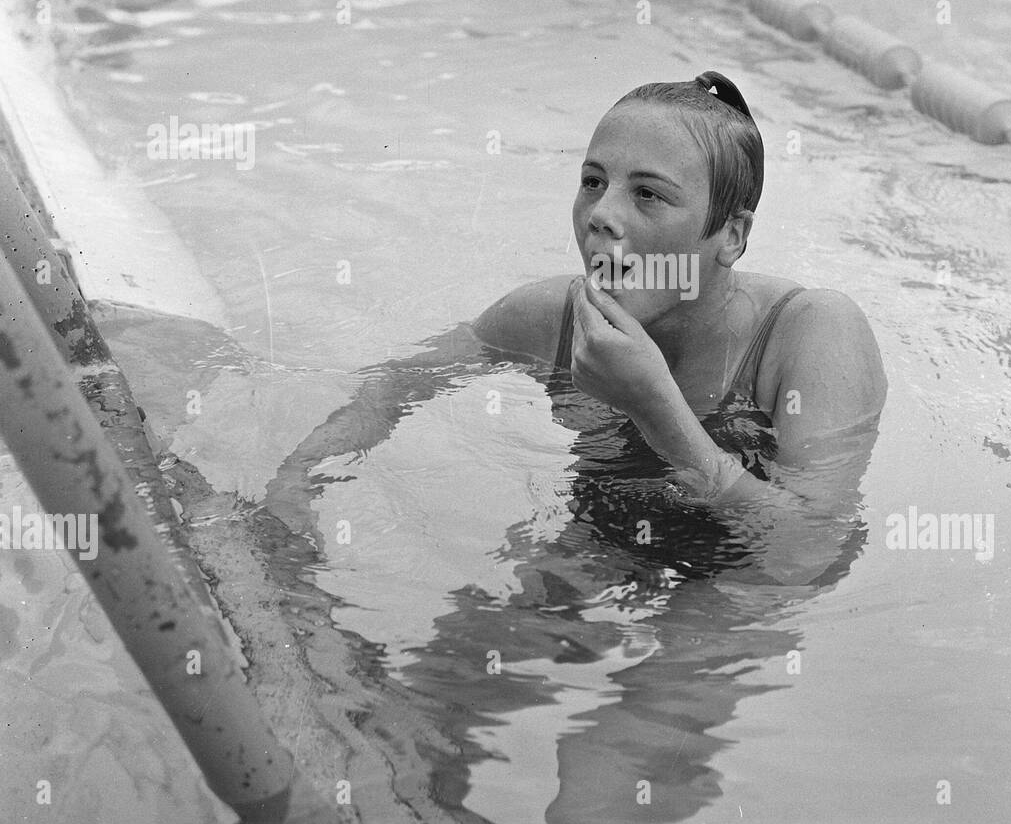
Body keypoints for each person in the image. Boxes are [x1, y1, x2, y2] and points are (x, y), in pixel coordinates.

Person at [266, 69, 887, 556]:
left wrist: (655, 409)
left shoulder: (810, 332)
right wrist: (297, 479)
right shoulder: (550, 318)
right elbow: (396, 385)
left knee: (649, 711)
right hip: (602, 540)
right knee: (450, 675)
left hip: (745, 582)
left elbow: (807, 549)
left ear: (730, 233)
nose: (601, 214)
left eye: (647, 193)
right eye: (593, 181)